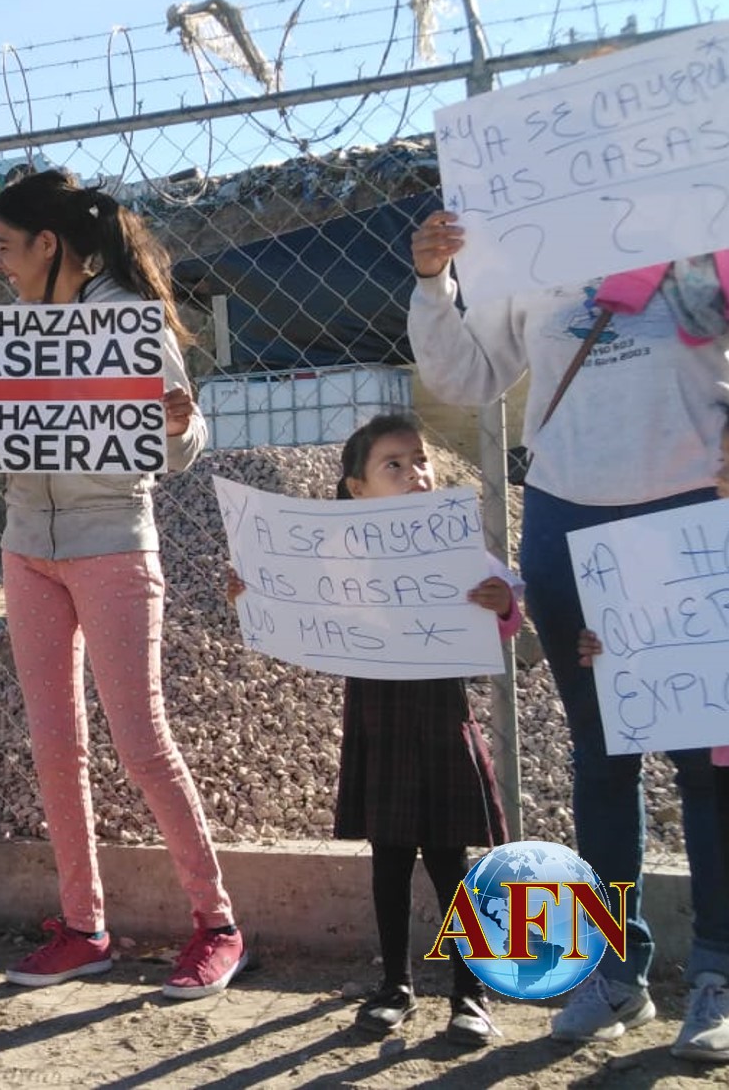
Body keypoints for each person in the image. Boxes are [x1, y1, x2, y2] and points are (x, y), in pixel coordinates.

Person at [408, 165, 729, 1056]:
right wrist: (434, 281)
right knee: (601, 755)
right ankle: (615, 975)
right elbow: (469, 374)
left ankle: (721, 975)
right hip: (567, 518)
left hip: (700, 520)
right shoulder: (524, 250)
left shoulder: (711, 230)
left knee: (712, 762)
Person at [0, 168, 246, 999]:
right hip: (26, 549)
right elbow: (12, 450)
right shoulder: (13, 330)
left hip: (111, 546)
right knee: (54, 746)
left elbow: (181, 437)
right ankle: (84, 926)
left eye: (3, 247)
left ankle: (217, 924)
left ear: (48, 244)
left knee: (141, 742)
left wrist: (178, 423)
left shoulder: (125, 322)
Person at [228, 413, 519, 1046]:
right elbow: (297, 610)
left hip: (443, 723)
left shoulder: (457, 545)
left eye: (421, 461)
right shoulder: (338, 553)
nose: (416, 473)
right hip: (379, 726)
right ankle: (396, 985)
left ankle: (470, 994)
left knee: (451, 864)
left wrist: (502, 605)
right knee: (388, 861)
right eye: (395, 464)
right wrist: (254, 597)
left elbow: (506, 624)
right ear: (355, 488)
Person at [578, 389, 729, 1087]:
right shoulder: (700, 555)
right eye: (722, 461)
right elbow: (665, 639)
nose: (720, 477)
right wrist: (611, 644)